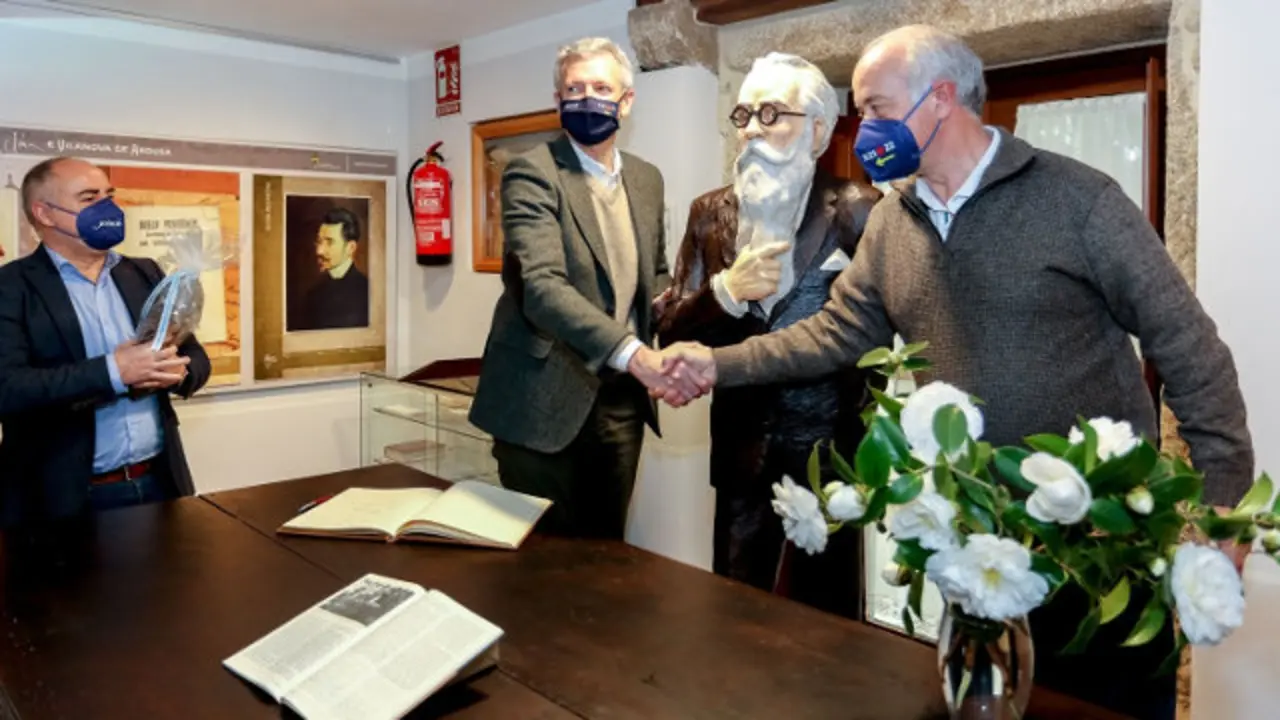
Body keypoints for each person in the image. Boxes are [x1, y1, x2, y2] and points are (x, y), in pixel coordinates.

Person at [657, 25, 1252, 720]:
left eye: (877, 108)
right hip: (974, 541)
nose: (866, 127)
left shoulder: (1079, 200)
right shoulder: (892, 226)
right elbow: (832, 335)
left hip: (1099, 543)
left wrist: (1225, 504)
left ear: (940, 99)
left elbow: (1190, 349)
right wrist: (713, 363)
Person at [656, 52, 881, 619]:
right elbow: (668, 327)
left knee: (828, 620)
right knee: (734, 608)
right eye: (744, 114)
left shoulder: (859, 209)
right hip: (741, 453)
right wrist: (726, 292)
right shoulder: (710, 214)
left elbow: (884, 329)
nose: (752, 129)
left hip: (830, 458)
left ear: (819, 131)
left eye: (773, 113)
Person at [468, 37, 693, 539]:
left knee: (606, 551)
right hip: (540, 405)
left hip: (620, 404)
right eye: (573, 88)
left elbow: (653, 274)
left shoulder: (647, 179)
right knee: (541, 569)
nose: (585, 99)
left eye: (599, 87)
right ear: (557, 100)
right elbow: (543, 288)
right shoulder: (532, 172)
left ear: (626, 101)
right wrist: (636, 354)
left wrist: (696, 310)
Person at [0, 156, 211, 531]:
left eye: (109, 195)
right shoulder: (11, 287)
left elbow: (195, 356)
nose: (107, 208)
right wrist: (115, 371)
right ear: (44, 213)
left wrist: (177, 372)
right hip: (61, 501)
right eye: (89, 197)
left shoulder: (144, 272)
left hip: (160, 483)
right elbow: (9, 388)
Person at [299, 206, 369, 330]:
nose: (319, 251)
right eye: (319, 241)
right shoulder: (313, 295)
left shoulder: (368, 292)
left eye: (329, 242)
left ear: (351, 247)